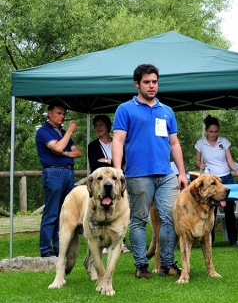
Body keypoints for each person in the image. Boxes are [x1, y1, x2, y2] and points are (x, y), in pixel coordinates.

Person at [112, 64, 188, 279]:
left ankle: (166, 264)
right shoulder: (125, 109)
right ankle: (141, 266)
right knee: (139, 220)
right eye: (147, 82)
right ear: (137, 83)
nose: (151, 85)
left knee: (170, 219)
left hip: (166, 174)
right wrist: (118, 171)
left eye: (154, 81)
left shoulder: (167, 111)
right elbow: (118, 140)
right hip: (138, 174)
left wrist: (181, 173)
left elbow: (174, 144)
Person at [35, 103, 82, 257]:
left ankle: (58, 247)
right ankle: (45, 249)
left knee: (63, 212)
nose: (62, 117)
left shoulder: (62, 133)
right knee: (51, 212)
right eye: (59, 113)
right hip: (54, 172)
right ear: (49, 113)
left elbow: (77, 152)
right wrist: (68, 133)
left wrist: (65, 153)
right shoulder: (43, 132)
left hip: (68, 173)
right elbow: (58, 148)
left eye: (63, 114)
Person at [195, 114, 238, 247]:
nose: (213, 134)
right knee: (211, 210)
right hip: (211, 180)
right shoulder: (200, 143)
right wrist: (200, 165)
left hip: (226, 178)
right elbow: (197, 160)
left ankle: (233, 240)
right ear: (206, 130)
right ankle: (209, 242)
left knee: (229, 209)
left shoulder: (224, 141)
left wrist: (237, 170)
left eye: (216, 132)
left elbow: (230, 160)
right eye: (211, 132)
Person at [88, 114, 130, 254]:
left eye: (101, 124)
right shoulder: (93, 145)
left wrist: (104, 160)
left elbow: (122, 161)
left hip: (117, 184)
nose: (98, 127)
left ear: (108, 126)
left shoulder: (118, 143)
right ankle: (104, 243)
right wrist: (111, 160)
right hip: (101, 185)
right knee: (102, 211)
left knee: (120, 210)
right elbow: (94, 163)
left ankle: (121, 243)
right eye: (96, 125)